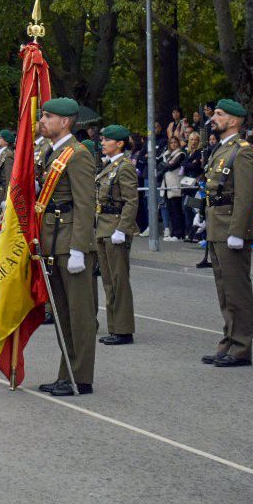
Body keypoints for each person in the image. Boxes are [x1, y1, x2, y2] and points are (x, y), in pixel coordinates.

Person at [33, 98, 98, 396]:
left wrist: (79, 249)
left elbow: (85, 205)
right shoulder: (51, 152)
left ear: (66, 122)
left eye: (48, 116)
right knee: (61, 312)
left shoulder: (79, 155)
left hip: (70, 242)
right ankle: (66, 371)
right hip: (53, 240)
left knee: (79, 314)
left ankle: (80, 377)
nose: (42, 121)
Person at [202, 100, 253, 368]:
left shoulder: (242, 151)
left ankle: (241, 346)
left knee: (237, 290)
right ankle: (229, 340)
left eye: (220, 114)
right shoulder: (222, 149)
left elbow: (245, 196)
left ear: (234, 120)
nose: (214, 117)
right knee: (224, 290)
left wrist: (237, 231)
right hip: (217, 225)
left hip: (231, 228)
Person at [95, 124, 138, 346]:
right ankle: (114, 327)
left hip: (115, 228)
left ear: (119, 143)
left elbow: (131, 201)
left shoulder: (124, 167)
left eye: (107, 140)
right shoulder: (109, 166)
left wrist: (122, 229)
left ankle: (123, 330)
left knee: (119, 281)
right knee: (109, 282)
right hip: (104, 228)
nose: (102, 143)